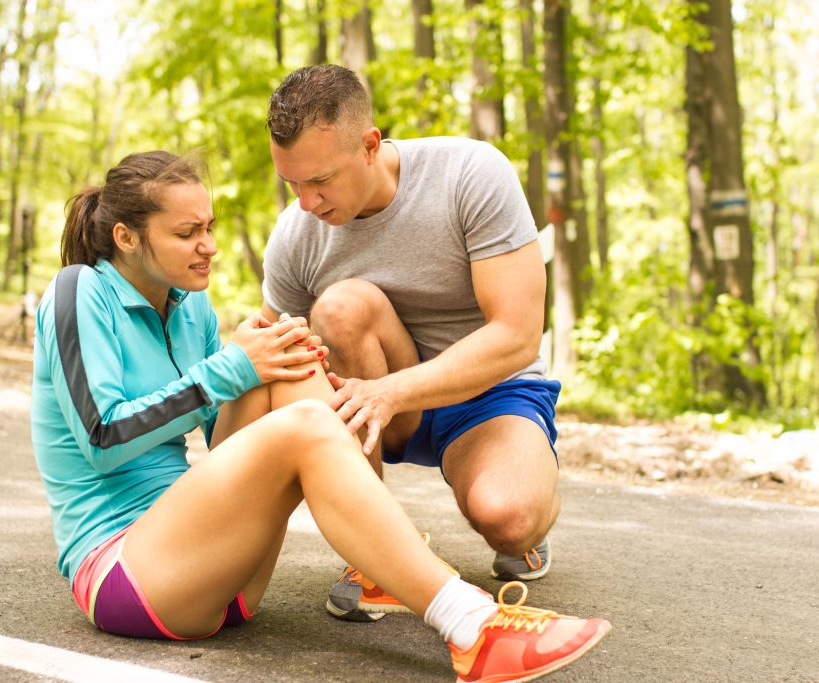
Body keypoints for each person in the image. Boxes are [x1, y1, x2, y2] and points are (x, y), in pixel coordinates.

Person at [30, 150, 609, 681]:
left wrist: (262, 365)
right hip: (127, 575)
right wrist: (230, 371)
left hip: (219, 573)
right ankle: (472, 625)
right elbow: (103, 438)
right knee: (299, 419)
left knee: (289, 355)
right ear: (127, 237)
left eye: (208, 228)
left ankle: (386, 563)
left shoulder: (190, 305)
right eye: (186, 233)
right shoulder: (77, 292)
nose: (208, 245)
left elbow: (224, 443)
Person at [263, 65, 562, 622]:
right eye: (293, 184)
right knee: (340, 307)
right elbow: (273, 355)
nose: (307, 202)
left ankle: (530, 490)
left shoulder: (470, 173)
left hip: (486, 391)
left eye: (320, 180)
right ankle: (375, 555)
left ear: (371, 145)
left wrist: (391, 391)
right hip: (375, 396)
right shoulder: (296, 233)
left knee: (509, 517)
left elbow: (518, 335)